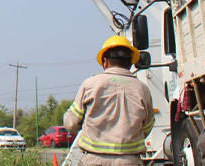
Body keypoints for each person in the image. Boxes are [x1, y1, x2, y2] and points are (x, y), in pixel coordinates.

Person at [63, 35, 155, 165]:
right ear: (130, 63)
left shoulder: (90, 85)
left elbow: (71, 124)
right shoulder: (143, 89)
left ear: (105, 62)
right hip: (130, 161)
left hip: (95, 161)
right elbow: (147, 126)